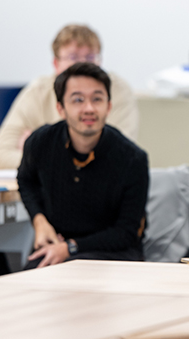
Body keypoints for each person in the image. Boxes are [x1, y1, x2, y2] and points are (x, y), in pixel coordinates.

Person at [17, 62, 148, 269]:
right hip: (58, 247)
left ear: (109, 106)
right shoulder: (41, 142)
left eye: (97, 99)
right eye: (78, 100)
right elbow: (25, 179)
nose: (89, 108)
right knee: (25, 277)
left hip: (115, 255)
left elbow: (126, 233)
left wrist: (71, 248)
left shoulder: (133, 159)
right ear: (61, 108)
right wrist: (39, 220)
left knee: (69, 272)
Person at [0, 24, 138, 170]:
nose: (82, 65)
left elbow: (118, 156)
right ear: (56, 63)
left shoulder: (117, 92)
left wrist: (38, 149)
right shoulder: (38, 92)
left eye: (90, 57)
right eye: (73, 57)